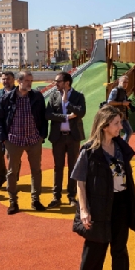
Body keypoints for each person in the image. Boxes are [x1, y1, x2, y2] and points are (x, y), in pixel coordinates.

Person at [71, 106, 135, 270]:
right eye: (117, 123)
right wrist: (84, 210)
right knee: (95, 246)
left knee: (119, 248)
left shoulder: (121, 147)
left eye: (120, 122)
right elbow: (80, 182)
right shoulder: (89, 151)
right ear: (104, 126)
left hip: (121, 203)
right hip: (99, 205)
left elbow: (127, 177)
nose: (121, 126)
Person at [0, 71, 48, 215]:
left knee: (36, 171)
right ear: (19, 81)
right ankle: (13, 202)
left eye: (31, 80)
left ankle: (35, 200)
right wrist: (4, 138)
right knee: (12, 172)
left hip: (33, 140)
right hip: (14, 140)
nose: (30, 83)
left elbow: (43, 117)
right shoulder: (7, 98)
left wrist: (42, 136)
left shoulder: (37, 96)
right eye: (27, 81)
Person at [46, 72, 86, 208]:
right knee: (58, 167)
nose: (56, 83)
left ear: (67, 83)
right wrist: (66, 117)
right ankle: (56, 197)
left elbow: (81, 112)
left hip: (73, 137)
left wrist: (67, 103)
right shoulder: (53, 96)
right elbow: (48, 114)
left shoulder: (78, 96)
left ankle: (71, 196)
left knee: (73, 167)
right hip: (58, 138)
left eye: (58, 81)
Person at [107, 75, 135, 142]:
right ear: (119, 82)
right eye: (124, 82)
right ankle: (118, 148)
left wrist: (127, 105)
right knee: (117, 134)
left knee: (129, 131)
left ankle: (123, 146)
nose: (126, 84)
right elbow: (109, 102)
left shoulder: (124, 91)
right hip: (116, 116)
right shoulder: (115, 90)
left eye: (127, 82)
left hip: (123, 116)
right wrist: (122, 103)